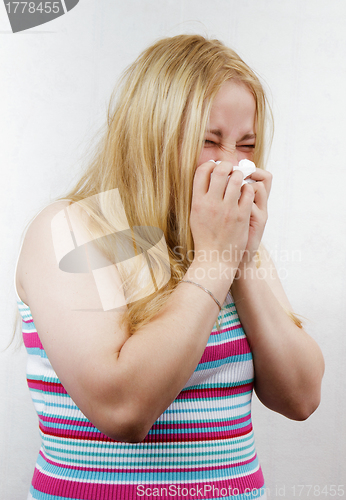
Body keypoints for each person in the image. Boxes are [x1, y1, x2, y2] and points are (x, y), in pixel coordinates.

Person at [15, 34, 324, 500]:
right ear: (151, 135)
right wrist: (216, 259)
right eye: (209, 141)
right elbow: (121, 410)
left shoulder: (224, 244)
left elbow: (300, 398)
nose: (234, 167)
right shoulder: (74, 230)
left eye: (247, 145)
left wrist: (238, 259)